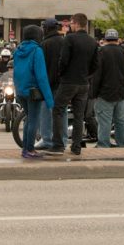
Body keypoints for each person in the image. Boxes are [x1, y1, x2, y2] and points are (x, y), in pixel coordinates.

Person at [48, 13, 98, 156]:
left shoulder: (69, 39)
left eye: (70, 23)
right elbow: (95, 65)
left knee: (58, 110)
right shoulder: (92, 41)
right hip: (84, 83)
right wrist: (86, 75)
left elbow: (63, 60)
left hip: (69, 81)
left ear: (75, 23)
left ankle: (58, 145)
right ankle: (76, 147)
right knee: (79, 116)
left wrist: (61, 74)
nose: (69, 26)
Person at [13, 25, 54, 159]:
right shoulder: (37, 51)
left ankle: (25, 148)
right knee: (33, 121)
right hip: (34, 91)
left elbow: (16, 72)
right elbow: (41, 76)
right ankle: (29, 149)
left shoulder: (18, 50)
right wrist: (49, 99)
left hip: (21, 91)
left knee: (28, 120)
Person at [91, 29, 124, 149]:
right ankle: (122, 145)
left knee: (104, 122)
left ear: (105, 39)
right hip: (120, 93)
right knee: (120, 121)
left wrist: (94, 93)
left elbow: (97, 75)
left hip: (105, 93)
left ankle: (103, 145)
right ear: (117, 39)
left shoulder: (101, 52)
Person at [37, 18, 66, 150]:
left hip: (48, 83)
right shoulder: (64, 42)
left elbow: (41, 66)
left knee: (46, 112)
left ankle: (47, 139)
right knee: (62, 112)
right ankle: (63, 140)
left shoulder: (45, 44)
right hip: (63, 83)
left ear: (46, 29)